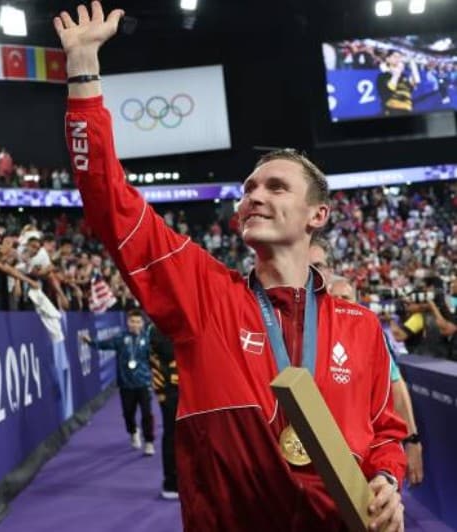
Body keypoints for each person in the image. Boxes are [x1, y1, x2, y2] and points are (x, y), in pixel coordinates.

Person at [54, 4, 406, 530]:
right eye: (248, 189)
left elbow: (385, 432)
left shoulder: (362, 326)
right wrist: (83, 68)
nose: (253, 197)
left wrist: (387, 480)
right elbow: (108, 201)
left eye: (276, 187)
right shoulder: (203, 293)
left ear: (318, 215)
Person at [330, 277, 424, 487]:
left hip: (362, 458)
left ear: (356, 302)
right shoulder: (314, 336)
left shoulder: (370, 336)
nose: (340, 303)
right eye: (334, 297)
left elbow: (396, 386)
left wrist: (412, 439)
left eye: (345, 297)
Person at [82, 309, 155, 455]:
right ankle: (133, 431)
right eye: (132, 321)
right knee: (128, 413)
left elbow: (153, 359)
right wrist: (90, 342)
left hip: (144, 383)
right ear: (127, 322)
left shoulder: (148, 339)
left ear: (142, 324)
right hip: (126, 384)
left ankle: (149, 442)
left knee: (147, 413)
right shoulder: (120, 338)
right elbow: (104, 344)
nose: (135, 324)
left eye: (138, 322)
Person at [148, 322, 179, 499]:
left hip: (192, 389)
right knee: (172, 435)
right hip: (169, 391)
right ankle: (171, 482)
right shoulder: (158, 328)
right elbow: (168, 353)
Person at [376, 51, 418, 116]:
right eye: (395, 56)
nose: (398, 59)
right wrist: (396, 75)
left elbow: (408, 90)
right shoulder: (383, 76)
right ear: (388, 59)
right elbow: (388, 90)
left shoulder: (404, 76)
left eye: (399, 57)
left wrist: (412, 84)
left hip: (408, 109)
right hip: (393, 110)